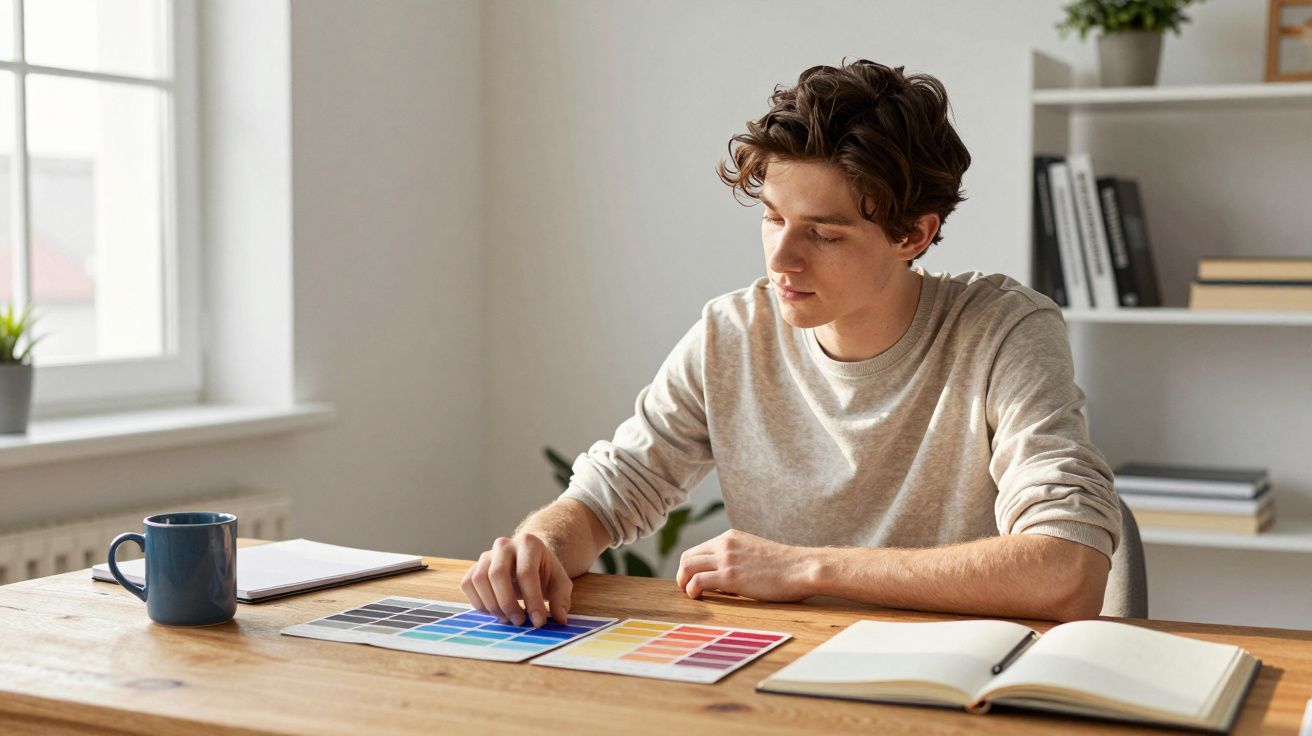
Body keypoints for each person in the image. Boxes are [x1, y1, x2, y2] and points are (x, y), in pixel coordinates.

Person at [460, 59, 1121, 629]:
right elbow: (610, 493)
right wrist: (539, 545)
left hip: (949, 686)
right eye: (773, 218)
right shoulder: (731, 333)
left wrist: (806, 568)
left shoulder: (1003, 331)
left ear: (913, 235)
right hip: (774, 673)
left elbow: (1068, 572)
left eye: (824, 234)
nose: (781, 258)